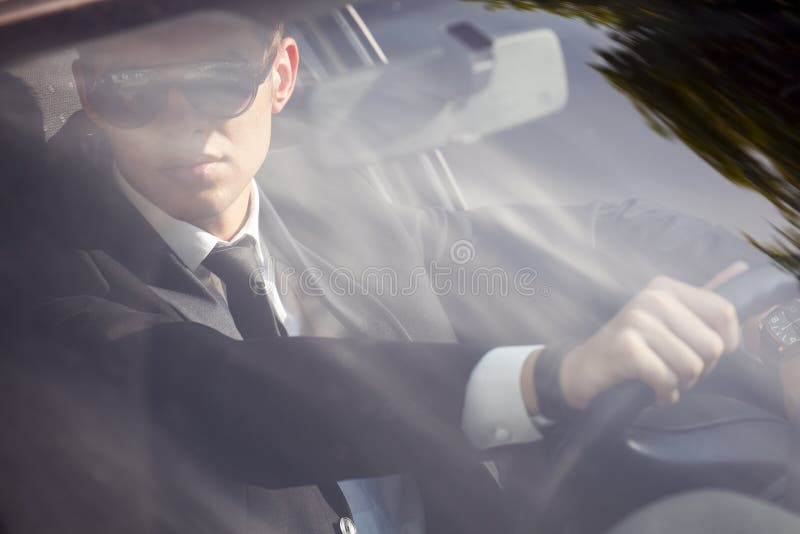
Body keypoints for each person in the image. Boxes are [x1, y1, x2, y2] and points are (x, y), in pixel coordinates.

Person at [20, 8, 784, 534]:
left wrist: (778, 322)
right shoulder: (44, 282)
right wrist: (545, 380)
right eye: (134, 91)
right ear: (89, 92)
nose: (185, 121)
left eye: (221, 81)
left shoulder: (352, 224)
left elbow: (593, 236)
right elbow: (234, 395)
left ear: (281, 75)